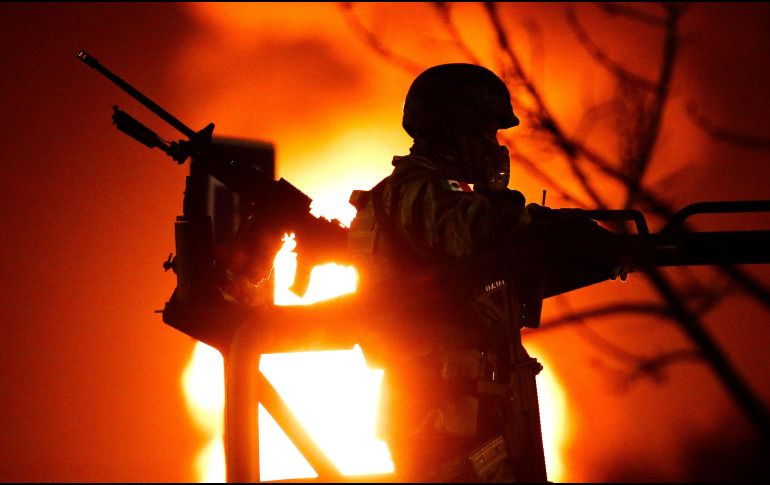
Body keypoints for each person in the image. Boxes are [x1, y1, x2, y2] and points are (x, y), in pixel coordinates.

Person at [347, 63, 625, 482]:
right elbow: (477, 233)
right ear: (455, 131)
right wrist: (552, 228)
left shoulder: (432, 192)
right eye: (487, 133)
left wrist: (590, 256)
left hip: (467, 411)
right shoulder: (417, 191)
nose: (494, 146)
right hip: (443, 418)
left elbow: (486, 275)